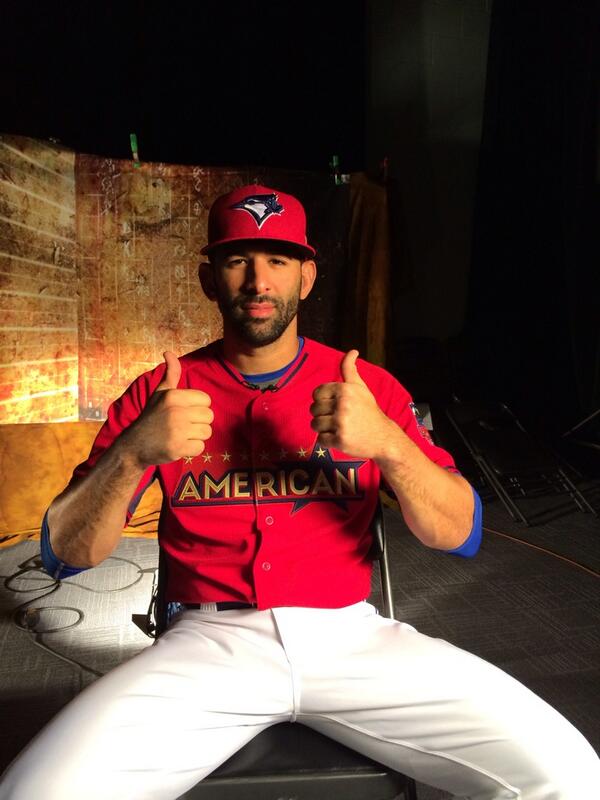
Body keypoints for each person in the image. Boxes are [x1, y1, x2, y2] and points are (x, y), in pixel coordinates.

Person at [1, 184, 598, 800]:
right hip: (207, 646)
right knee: (34, 793)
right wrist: (132, 453)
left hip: (351, 639)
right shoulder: (160, 393)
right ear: (208, 280)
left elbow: (460, 534)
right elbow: (64, 555)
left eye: (279, 260)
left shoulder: (368, 389)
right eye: (238, 260)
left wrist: (389, 443)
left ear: (307, 278)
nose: (259, 281)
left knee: (569, 776)